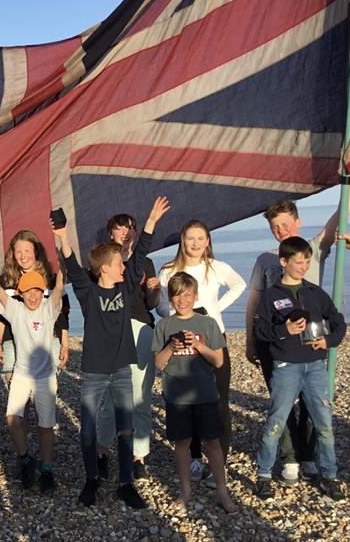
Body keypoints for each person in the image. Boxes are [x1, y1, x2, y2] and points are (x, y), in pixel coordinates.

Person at [53, 196, 170, 509]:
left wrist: (151, 223)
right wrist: (62, 235)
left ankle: (125, 483)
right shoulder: (88, 292)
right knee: (89, 428)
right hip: (94, 370)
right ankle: (92, 480)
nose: (124, 267)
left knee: (125, 426)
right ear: (105, 268)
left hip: (121, 367)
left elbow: (141, 252)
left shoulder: (125, 286)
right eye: (119, 263)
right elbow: (73, 265)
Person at [244, 192, 350, 484]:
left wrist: (349, 178)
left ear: (298, 222)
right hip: (277, 346)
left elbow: (340, 213)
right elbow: (255, 303)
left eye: (285, 224)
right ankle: (290, 458)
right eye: (275, 227)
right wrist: (250, 341)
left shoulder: (314, 249)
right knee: (282, 405)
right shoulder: (265, 261)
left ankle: (307, 456)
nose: (281, 231)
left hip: (313, 345)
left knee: (313, 405)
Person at [157, 220, 245, 486]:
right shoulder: (169, 270)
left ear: (208, 241)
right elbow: (162, 306)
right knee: (188, 402)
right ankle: (195, 457)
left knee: (218, 401)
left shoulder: (216, 268)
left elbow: (239, 285)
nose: (195, 244)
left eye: (200, 238)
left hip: (213, 338)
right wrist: (177, 317)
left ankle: (220, 461)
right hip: (182, 342)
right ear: (182, 241)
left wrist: (216, 307)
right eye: (189, 238)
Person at [0, 242, 64, 494]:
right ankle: (26, 459)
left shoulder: (49, 309)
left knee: (45, 424)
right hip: (22, 372)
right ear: (20, 293)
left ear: (42, 291)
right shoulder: (14, 310)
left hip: (45, 375)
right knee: (12, 419)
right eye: (28, 291)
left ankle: (47, 469)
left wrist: (62, 252)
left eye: (38, 290)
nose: (33, 295)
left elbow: (60, 286)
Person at [153, 272, 236, 513]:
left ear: (196, 295)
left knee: (213, 442)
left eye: (188, 295)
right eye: (177, 296)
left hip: (205, 393)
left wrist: (198, 345)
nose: (183, 300)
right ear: (170, 298)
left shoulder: (207, 323)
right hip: (177, 395)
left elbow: (219, 361)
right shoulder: (165, 325)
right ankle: (185, 490)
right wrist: (171, 347)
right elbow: (158, 363)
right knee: (182, 443)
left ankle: (222, 490)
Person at [97, 214, 160, 480]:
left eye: (129, 228)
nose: (125, 232)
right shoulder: (102, 262)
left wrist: (155, 290)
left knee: (141, 396)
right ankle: (102, 451)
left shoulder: (145, 262)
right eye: (119, 228)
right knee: (112, 397)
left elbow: (153, 303)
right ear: (111, 233)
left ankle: (139, 456)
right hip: (113, 330)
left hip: (142, 326)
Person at [0, 230, 70, 385]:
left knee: (46, 390)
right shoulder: (6, 280)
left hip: (47, 342)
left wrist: (65, 345)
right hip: (13, 343)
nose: (23, 256)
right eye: (18, 251)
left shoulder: (51, 279)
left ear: (36, 252)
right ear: (12, 254)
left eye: (27, 251)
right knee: (17, 390)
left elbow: (62, 314)